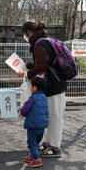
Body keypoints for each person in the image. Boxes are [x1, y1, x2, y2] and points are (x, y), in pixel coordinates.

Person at [17, 20, 68, 158]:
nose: (25, 37)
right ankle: (48, 144)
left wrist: (26, 74)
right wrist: (28, 65)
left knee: (55, 118)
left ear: (29, 32)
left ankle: (55, 148)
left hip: (54, 86)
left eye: (24, 34)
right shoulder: (44, 41)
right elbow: (44, 63)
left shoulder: (39, 45)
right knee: (51, 116)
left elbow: (42, 68)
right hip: (54, 85)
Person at [19, 75, 49, 168]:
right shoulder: (44, 97)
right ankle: (32, 155)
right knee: (36, 142)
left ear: (34, 87)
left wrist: (22, 112)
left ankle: (36, 159)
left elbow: (26, 108)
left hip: (33, 124)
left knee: (31, 142)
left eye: (31, 86)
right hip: (42, 125)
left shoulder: (32, 98)